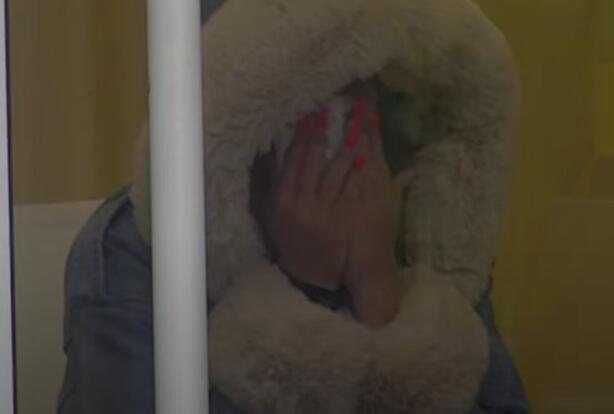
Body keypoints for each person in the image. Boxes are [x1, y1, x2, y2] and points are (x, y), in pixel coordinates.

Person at [58, 0, 531, 413]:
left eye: (362, 84)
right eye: (302, 93)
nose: (334, 131)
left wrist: (381, 294)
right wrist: (309, 289)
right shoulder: (130, 254)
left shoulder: (421, 232)